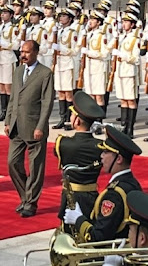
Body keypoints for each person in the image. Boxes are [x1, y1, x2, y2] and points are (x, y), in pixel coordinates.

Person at [63, 125, 142, 242]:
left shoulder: (114, 194)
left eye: (105, 152)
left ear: (119, 159)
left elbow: (98, 237)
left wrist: (78, 219)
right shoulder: (132, 183)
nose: (101, 156)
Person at [4, 39, 55, 218]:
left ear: (35, 53)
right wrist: (8, 120)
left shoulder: (45, 73)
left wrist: (41, 126)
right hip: (17, 125)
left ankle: (31, 203)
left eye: (26, 52)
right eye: (21, 51)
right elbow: (13, 98)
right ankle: (25, 196)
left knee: (36, 167)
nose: (23, 55)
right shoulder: (18, 71)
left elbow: (47, 102)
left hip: (34, 127)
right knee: (12, 162)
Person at [55, 91, 103, 234]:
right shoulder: (101, 146)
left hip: (71, 197)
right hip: (91, 197)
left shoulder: (63, 143)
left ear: (77, 121)